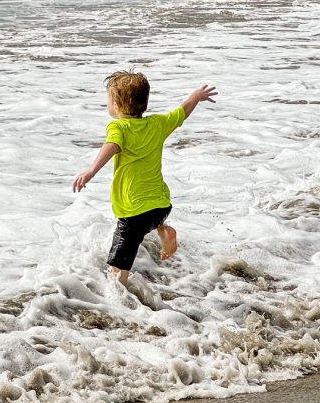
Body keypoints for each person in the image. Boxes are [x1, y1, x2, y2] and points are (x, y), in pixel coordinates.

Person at [73, 72, 217, 286]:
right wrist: (195, 96)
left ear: (116, 106)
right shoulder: (158, 123)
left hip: (133, 211)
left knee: (118, 265)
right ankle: (164, 231)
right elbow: (182, 113)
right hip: (161, 206)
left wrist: (92, 170)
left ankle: (119, 297)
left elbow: (112, 145)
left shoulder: (118, 127)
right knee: (149, 220)